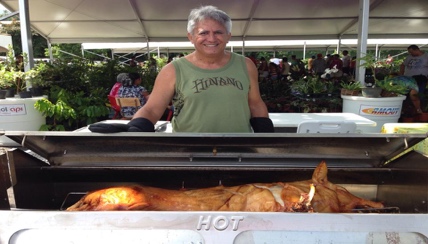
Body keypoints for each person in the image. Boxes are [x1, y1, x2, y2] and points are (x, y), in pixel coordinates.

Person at [89, 5, 273, 133]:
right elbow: (153, 109)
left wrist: (268, 140)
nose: (211, 38)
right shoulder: (173, 70)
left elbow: (255, 104)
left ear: (228, 36)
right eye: (203, 33)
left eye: (218, 32)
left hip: (240, 147)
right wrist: (136, 127)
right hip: (189, 149)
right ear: (191, 37)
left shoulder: (245, 65)